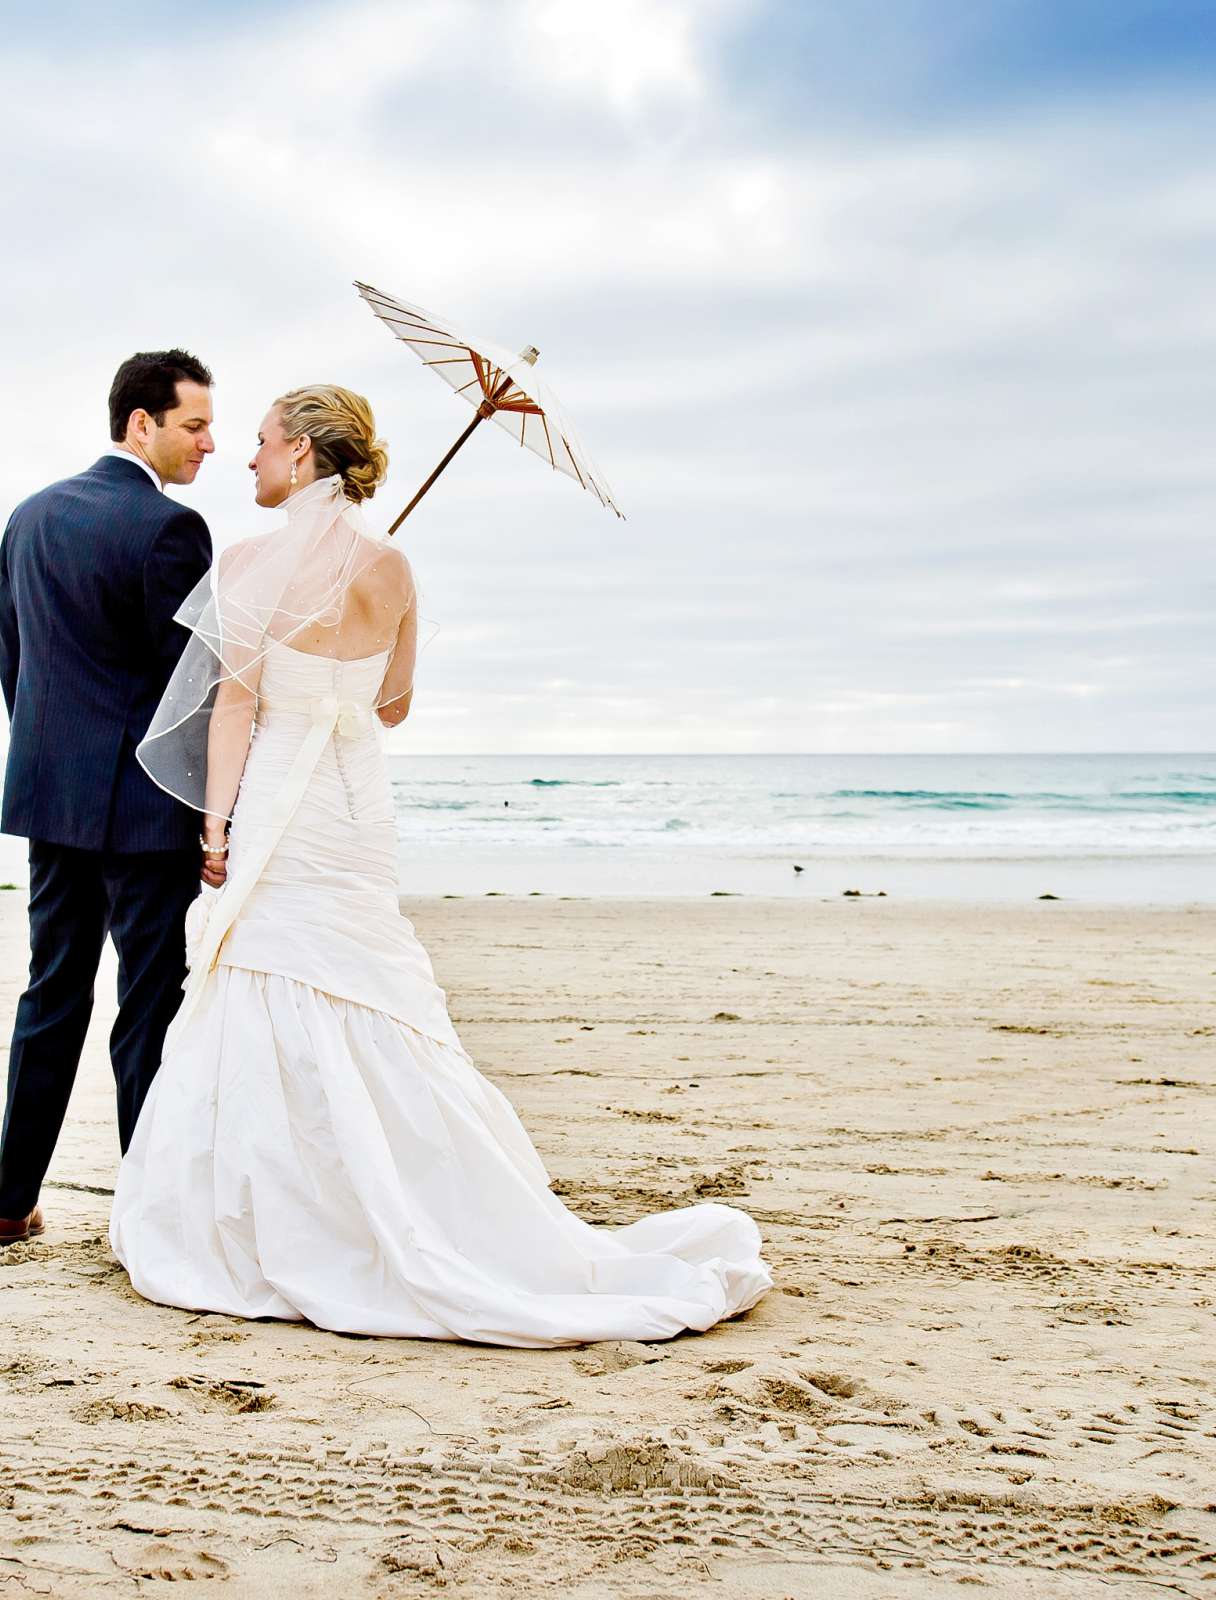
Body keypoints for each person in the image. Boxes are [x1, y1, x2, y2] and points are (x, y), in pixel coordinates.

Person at [109, 384, 773, 1346]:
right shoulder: (394, 565)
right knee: (366, 984)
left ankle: (286, 1217)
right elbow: (393, 708)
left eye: (258, 442)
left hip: (284, 809)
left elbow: (236, 710)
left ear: (300, 453)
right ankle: (414, 1198)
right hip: (353, 806)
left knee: (269, 980)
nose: (247, 458)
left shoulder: (249, 561)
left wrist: (214, 832)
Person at [0, 349, 217, 1246]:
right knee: (148, 1005)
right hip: (146, 812)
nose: (208, 444)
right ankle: (149, 1215)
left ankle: (12, 1205)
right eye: (194, 425)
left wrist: (55, 762)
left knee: (51, 993)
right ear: (141, 425)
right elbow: (186, 689)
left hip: (53, 796)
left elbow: (17, 664)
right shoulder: (172, 528)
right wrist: (209, 807)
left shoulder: (29, 516)